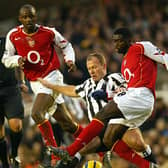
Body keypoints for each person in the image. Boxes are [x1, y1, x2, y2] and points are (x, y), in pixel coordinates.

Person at [40, 27, 168, 167]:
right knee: (109, 139)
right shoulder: (122, 64)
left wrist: (107, 95)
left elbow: (164, 58)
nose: (115, 45)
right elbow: (73, 90)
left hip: (140, 96)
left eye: (119, 41)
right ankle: (151, 166)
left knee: (114, 126)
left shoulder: (141, 47)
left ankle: (70, 152)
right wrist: (50, 85)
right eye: (114, 42)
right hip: (124, 107)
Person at [1, 4, 83, 165]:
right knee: (67, 123)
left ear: (36, 17)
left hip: (52, 77)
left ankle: (54, 154)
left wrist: (69, 60)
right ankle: (94, 141)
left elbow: (66, 45)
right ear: (20, 19)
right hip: (36, 83)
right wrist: (16, 60)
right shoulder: (13, 35)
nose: (28, 20)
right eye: (25, 17)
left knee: (36, 113)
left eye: (31, 16)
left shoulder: (48, 32)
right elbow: (5, 58)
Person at [0, 37, 27, 168]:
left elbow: (20, 60)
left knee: (16, 125)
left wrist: (22, 81)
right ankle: (5, 163)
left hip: (10, 88)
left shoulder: (7, 41)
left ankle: (14, 153)